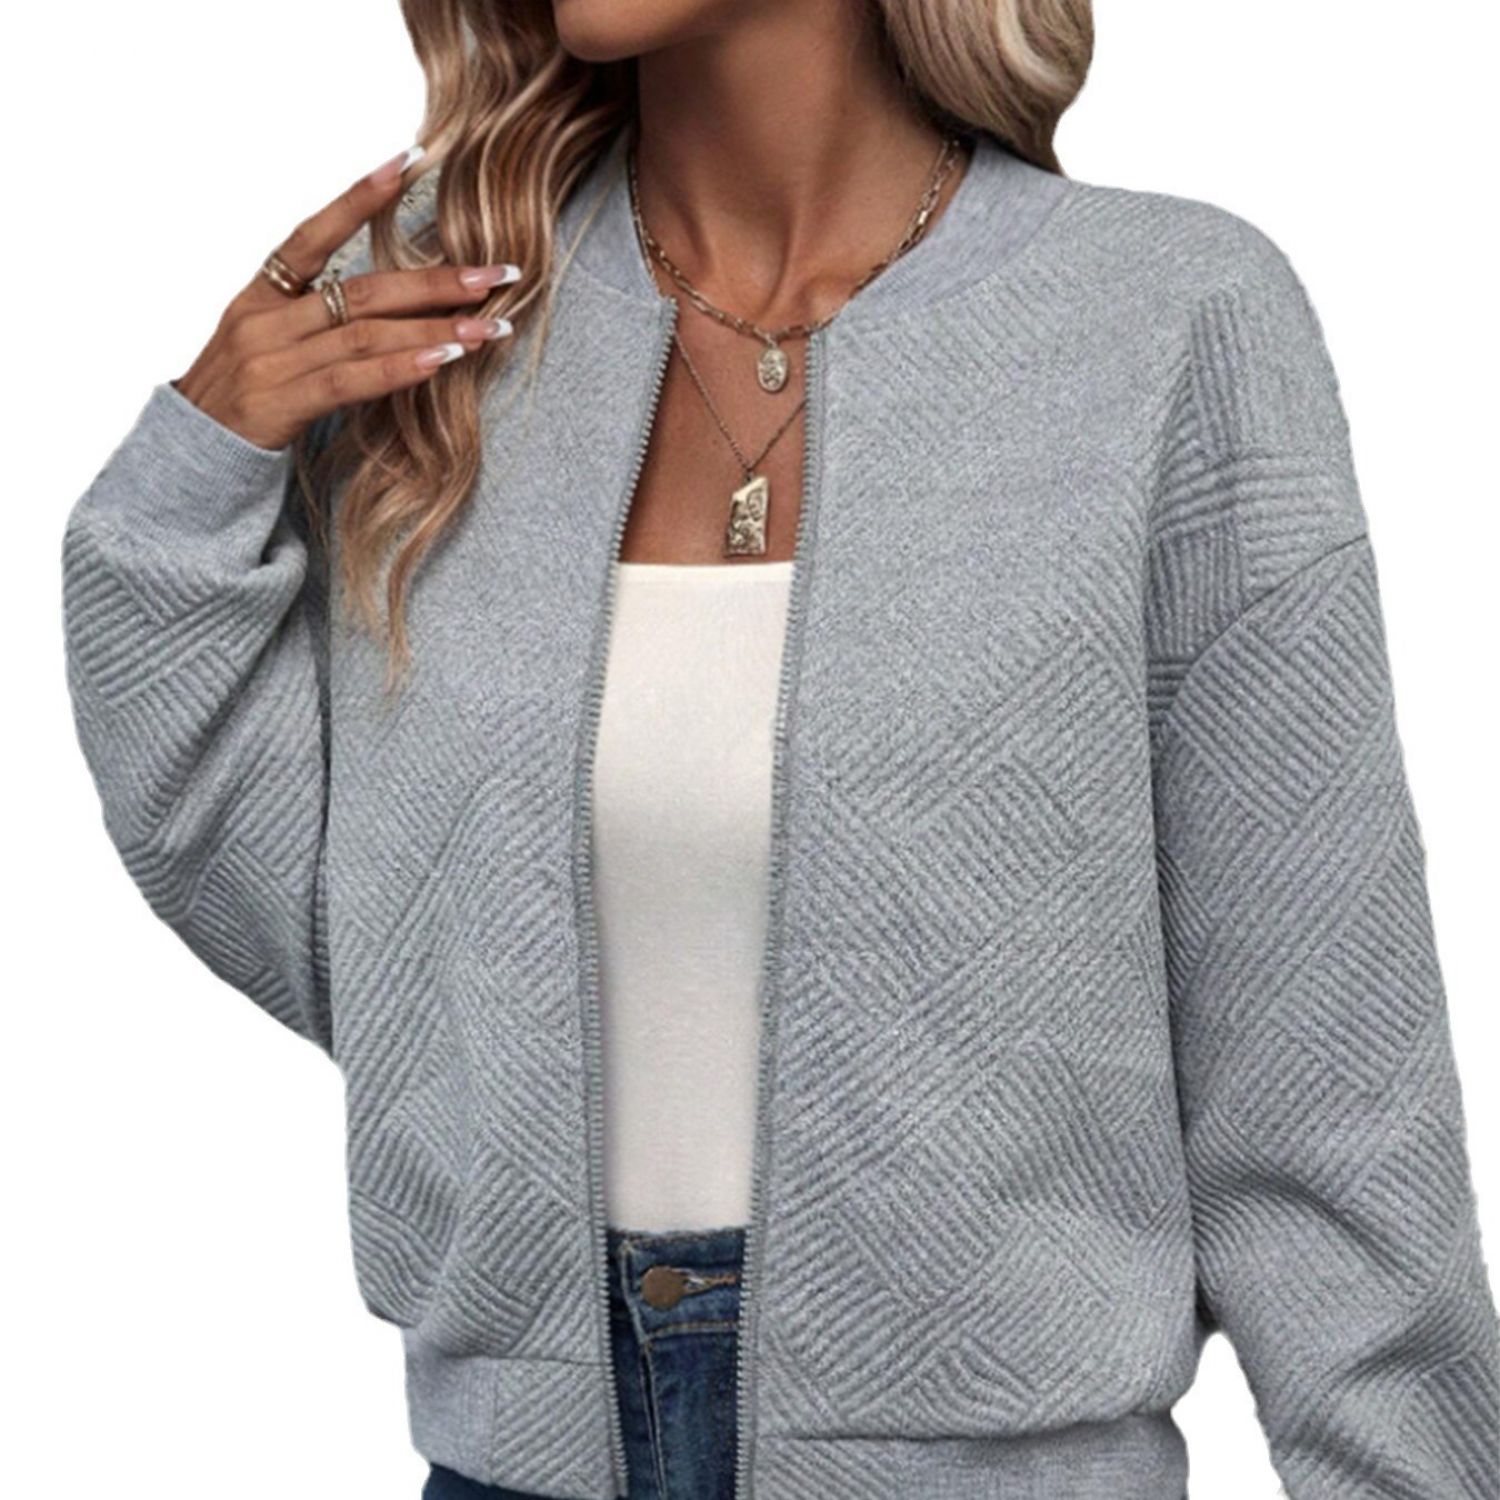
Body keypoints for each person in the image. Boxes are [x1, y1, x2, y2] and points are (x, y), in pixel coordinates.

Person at [59, 2, 1500, 1497]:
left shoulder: (1163, 317)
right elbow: (354, 936)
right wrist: (196, 465)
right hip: (516, 1469)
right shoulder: (441, 316)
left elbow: (1322, 1061)